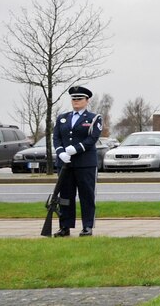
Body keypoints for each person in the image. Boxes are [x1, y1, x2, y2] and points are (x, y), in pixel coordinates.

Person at [52, 86, 103, 237]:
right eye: (74, 99)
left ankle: (87, 226)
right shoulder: (63, 117)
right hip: (65, 164)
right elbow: (56, 137)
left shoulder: (94, 118)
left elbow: (92, 138)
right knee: (65, 196)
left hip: (85, 163)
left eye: (79, 99)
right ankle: (65, 226)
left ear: (87, 101)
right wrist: (60, 152)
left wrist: (76, 148)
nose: (76, 102)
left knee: (86, 195)